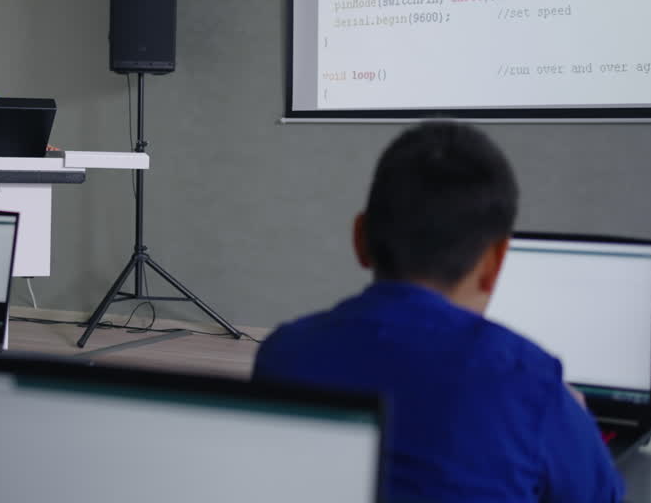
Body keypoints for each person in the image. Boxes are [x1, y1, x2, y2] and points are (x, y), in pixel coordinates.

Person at [252, 121, 622, 503]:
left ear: (360, 238)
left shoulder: (282, 356)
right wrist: (575, 424)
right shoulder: (529, 381)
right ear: (496, 262)